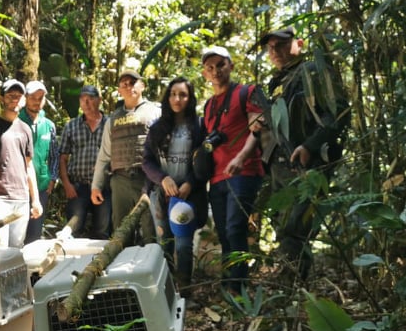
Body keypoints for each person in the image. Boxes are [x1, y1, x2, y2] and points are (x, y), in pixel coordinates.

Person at [261, 26, 350, 280]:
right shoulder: (280, 80)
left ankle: (294, 285)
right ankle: (292, 282)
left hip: (306, 163)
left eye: (281, 45)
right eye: (271, 47)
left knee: (294, 227)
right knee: (282, 224)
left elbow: (339, 112)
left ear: (298, 44)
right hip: (281, 164)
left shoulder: (312, 71)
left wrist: (309, 146)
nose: (275, 51)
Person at [200, 46, 266, 294]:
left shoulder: (245, 92)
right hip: (217, 177)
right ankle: (229, 283)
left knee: (235, 227)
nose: (215, 71)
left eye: (220, 65)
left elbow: (256, 129)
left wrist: (241, 157)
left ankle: (238, 288)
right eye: (210, 67)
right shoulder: (208, 106)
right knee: (224, 233)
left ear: (231, 66)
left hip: (244, 171)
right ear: (205, 73)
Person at [142, 77, 209, 289]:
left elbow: (205, 162)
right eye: (173, 94)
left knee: (183, 244)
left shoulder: (198, 126)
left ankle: (184, 290)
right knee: (165, 243)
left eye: (183, 94)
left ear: (190, 99)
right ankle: (167, 290)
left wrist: (190, 182)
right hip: (161, 194)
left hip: (186, 194)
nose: (177, 99)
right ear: (167, 97)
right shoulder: (158, 127)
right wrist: (163, 178)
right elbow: (146, 160)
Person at [91, 70, 160, 245]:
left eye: (133, 82)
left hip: (147, 179)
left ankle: (157, 268)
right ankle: (122, 269)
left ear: (142, 85)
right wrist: (96, 186)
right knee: (121, 230)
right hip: (119, 180)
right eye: (124, 84)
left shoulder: (156, 112)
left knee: (151, 228)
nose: (128, 87)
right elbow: (104, 155)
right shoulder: (112, 120)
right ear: (119, 90)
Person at [0, 80, 42, 247]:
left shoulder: (25, 129)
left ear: (23, 99)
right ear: (2, 99)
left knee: (16, 250)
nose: (15, 99)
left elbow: (28, 166)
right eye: (10, 96)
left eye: (19, 96)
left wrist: (35, 199)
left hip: (21, 198)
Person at [58, 85, 111, 239]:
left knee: (102, 231)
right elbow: (63, 158)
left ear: (99, 100)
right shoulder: (72, 126)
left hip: (104, 186)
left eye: (90, 99)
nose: (86, 103)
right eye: (83, 99)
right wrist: (67, 185)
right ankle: (72, 262)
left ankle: (100, 262)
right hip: (78, 186)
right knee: (73, 230)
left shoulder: (110, 124)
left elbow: (117, 154)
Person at [19, 80, 57, 244]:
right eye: (33, 97)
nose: (37, 100)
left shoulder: (49, 125)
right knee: (17, 234)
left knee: (34, 234)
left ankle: (31, 268)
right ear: (25, 98)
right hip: (18, 186)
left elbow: (55, 154)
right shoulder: (16, 121)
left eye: (40, 97)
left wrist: (52, 178)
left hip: (41, 185)